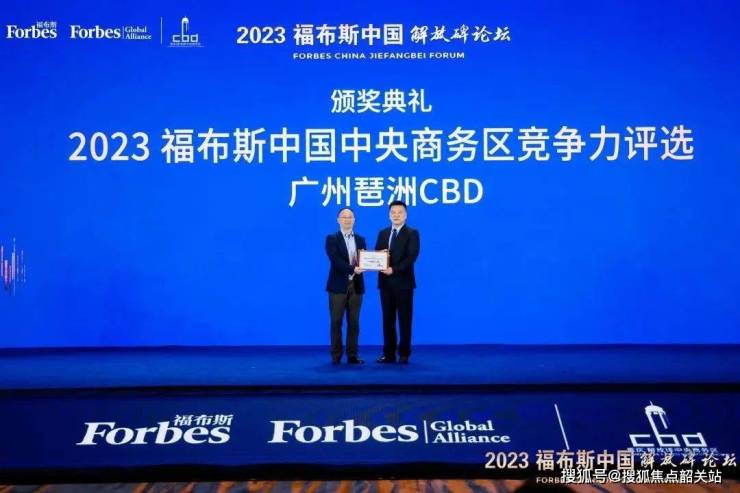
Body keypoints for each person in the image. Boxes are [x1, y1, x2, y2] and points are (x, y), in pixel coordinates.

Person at [375, 200, 420, 364]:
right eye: (393, 212)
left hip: (404, 284)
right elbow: (377, 254)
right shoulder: (383, 233)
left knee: (404, 319)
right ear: (389, 215)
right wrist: (374, 260)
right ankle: (388, 354)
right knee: (387, 320)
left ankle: (404, 353)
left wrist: (394, 269)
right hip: (385, 284)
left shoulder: (412, 233)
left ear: (406, 215)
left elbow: (411, 257)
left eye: (400, 212)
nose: (396, 215)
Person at [325, 207, 366, 364]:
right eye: (344, 217)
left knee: (354, 322)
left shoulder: (361, 239)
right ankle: (336, 356)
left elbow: (365, 259)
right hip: (338, 286)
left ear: (354, 220)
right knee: (336, 321)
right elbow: (335, 260)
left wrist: (377, 260)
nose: (347, 219)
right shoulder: (331, 239)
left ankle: (352, 355)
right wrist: (353, 269)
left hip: (356, 285)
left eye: (350, 217)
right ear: (338, 220)